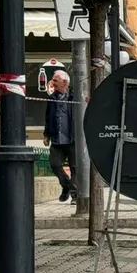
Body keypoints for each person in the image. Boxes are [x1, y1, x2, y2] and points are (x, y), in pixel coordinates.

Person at [44, 70, 76, 202]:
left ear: (65, 82)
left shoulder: (74, 97)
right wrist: (46, 134)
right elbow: (47, 117)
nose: (53, 83)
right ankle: (66, 185)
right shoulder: (51, 98)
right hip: (57, 139)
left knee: (75, 168)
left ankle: (75, 195)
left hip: (73, 139)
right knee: (54, 164)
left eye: (55, 81)